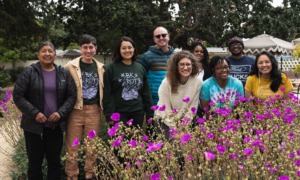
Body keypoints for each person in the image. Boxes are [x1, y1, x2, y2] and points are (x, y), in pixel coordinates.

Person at [13, 41, 77, 180]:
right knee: (34, 163)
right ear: (38, 54)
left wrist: (60, 113)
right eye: (44, 51)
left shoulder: (63, 73)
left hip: (55, 126)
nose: (47, 54)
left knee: (54, 162)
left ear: (55, 54)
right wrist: (35, 113)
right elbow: (18, 95)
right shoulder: (29, 72)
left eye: (50, 51)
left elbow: (72, 96)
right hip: (33, 127)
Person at [64, 34, 105, 180]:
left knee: (92, 145)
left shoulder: (100, 67)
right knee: (72, 146)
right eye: (85, 47)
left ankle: (90, 173)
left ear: (95, 48)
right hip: (75, 110)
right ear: (81, 48)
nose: (88, 50)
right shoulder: (70, 66)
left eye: (91, 47)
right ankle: (72, 175)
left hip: (94, 110)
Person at [103, 36, 153, 127]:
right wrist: (109, 114)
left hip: (138, 112)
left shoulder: (140, 68)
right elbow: (107, 93)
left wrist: (150, 112)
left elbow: (146, 92)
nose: (127, 50)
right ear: (119, 50)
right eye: (124, 48)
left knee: (135, 140)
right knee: (120, 141)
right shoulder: (111, 68)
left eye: (129, 47)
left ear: (134, 49)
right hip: (118, 114)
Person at [155, 50, 202, 139]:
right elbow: (164, 108)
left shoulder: (197, 81)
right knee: (170, 148)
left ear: (193, 65)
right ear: (176, 66)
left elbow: (193, 107)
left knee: (184, 149)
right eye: (182, 64)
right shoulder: (167, 82)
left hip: (184, 121)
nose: (185, 67)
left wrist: (183, 126)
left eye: (188, 64)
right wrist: (174, 128)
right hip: (164, 119)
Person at [139, 26, 175, 105]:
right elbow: (140, 80)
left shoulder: (177, 56)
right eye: (158, 36)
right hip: (154, 102)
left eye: (164, 35)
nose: (161, 38)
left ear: (168, 36)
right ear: (154, 39)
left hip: (173, 100)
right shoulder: (146, 57)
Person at [190, 41, 212, 118]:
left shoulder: (208, 68)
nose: (199, 53)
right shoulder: (187, 68)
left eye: (201, 52)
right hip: (190, 101)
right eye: (196, 51)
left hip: (204, 102)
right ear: (192, 52)